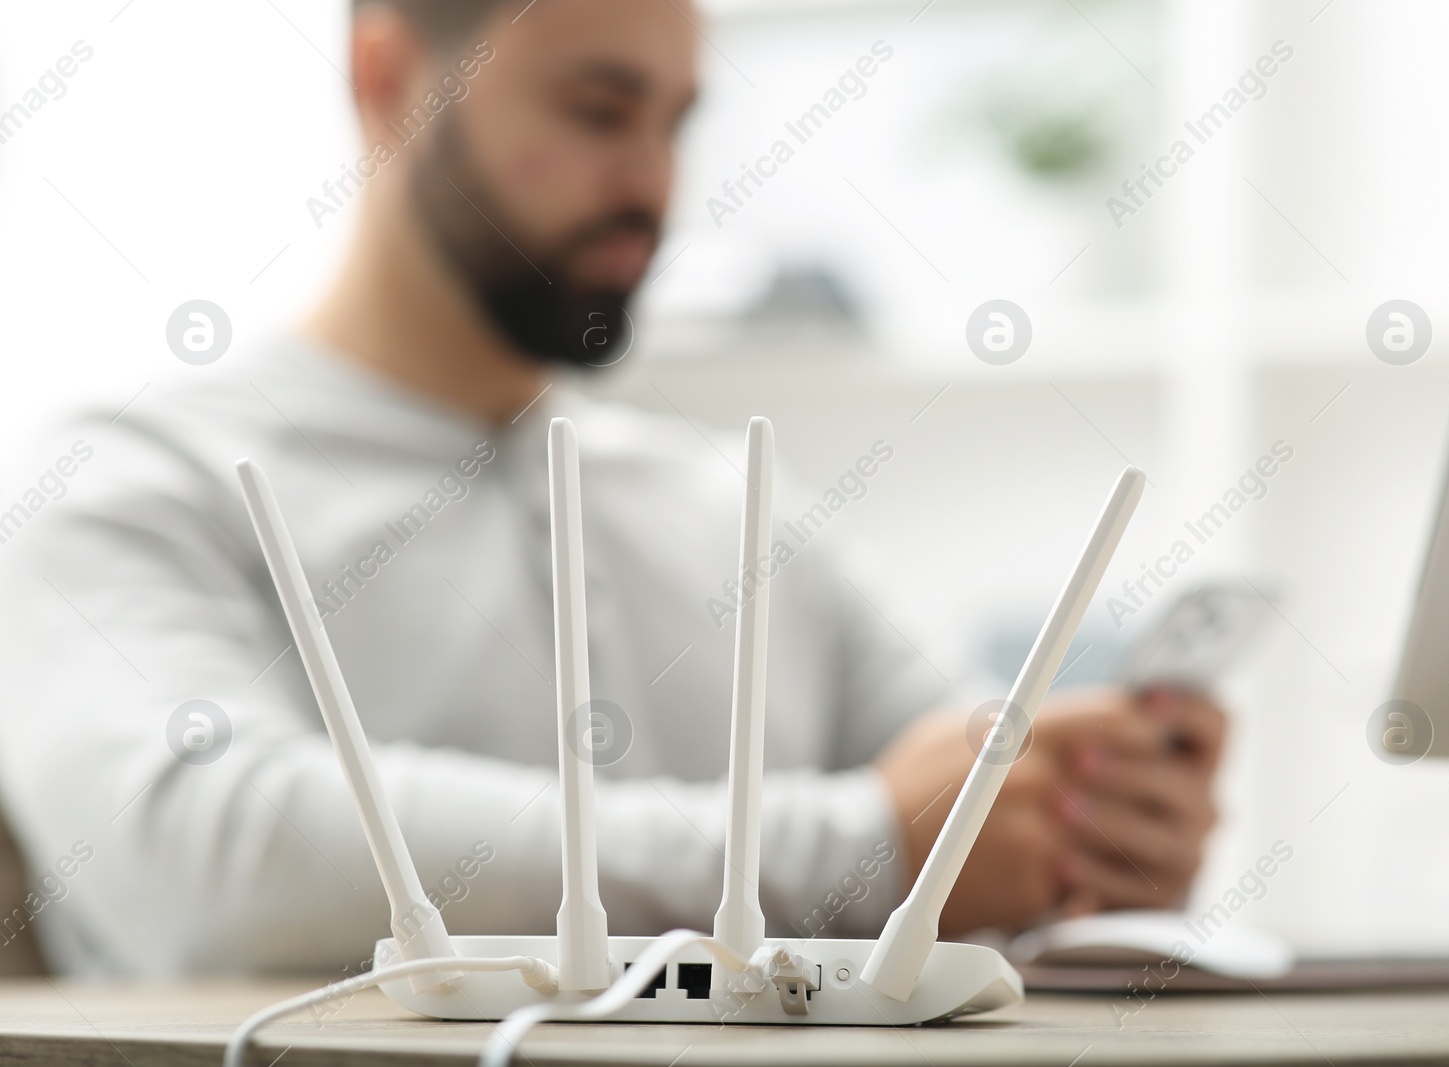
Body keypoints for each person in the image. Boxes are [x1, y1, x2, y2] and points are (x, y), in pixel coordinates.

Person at [0, 0, 1222, 977]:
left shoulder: (721, 500)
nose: (651, 183)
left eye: (678, 121)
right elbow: (212, 856)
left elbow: (959, 798)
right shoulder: (129, 484)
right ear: (384, 82)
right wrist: (858, 849)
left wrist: (1082, 830)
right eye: (597, 109)